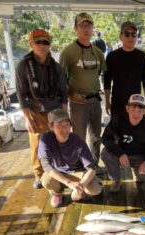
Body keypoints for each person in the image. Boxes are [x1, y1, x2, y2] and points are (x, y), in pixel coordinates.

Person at [16, 29, 68, 189]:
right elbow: (20, 93)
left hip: (54, 112)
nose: (42, 45)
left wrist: (64, 114)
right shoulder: (23, 65)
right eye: (38, 42)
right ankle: (39, 175)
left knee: (59, 141)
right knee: (37, 145)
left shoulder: (56, 66)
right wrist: (27, 118)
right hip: (35, 111)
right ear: (31, 43)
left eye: (46, 42)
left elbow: (63, 93)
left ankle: (60, 170)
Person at [59, 12, 106, 170]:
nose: (86, 29)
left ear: (93, 28)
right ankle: (80, 165)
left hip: (95, 101)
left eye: (89, 25)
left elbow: (100, 74)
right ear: (75, 28)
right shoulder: (68, 52)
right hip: (78, 103)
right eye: (82, 25)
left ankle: (93, 164)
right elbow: (61, 80)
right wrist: (71, 97)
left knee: (96, 136)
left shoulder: (98, 52)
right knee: (79, 136)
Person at [38, 109, 103, 208]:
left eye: (67, 125)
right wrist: (68, 182)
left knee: (96, 189)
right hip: (59, 172)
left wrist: (80, 187)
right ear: (51, 126)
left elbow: (91, 168)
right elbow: (46, 165)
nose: (64, 130)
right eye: (59, 125)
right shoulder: (45, 139)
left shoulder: (78, 141)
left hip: (79, 172)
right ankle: (57, 193)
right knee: (46, 180)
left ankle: (81, 193)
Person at [101, 94, 145, 193]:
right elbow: (106, 138)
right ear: (127, 108)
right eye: (132, 109)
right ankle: (116, 180)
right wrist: (120, 153)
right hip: (120, 154)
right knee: (105, 153)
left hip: (138, 156)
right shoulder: (118, 119)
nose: (136, 113)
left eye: (140, 110)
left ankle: (138, 174)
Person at [104, 21, 145, 116]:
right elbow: (107, 81)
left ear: (137, 37)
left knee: (135, 130)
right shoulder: (112, 56)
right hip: (117, 102)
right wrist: (107, 101)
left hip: (136, 103)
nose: (130, 37)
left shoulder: (142, 56)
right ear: (121, 36)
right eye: (127, 34)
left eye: (133, 34)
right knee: (116, 130)